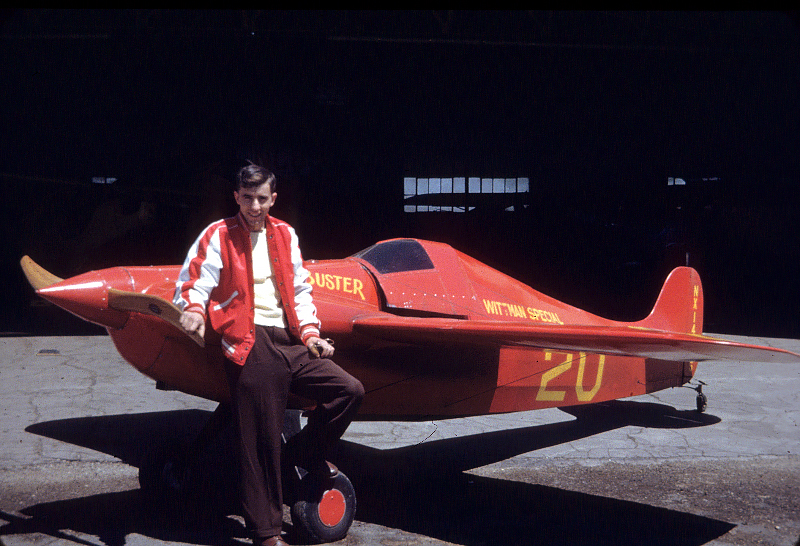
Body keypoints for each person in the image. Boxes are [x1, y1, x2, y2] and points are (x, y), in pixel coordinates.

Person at [174, 163, 364, 546]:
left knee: (350, 390)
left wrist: (312, 336)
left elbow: (300, 289)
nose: (255, 207)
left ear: (273, 198)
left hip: (290, 339)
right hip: (249, 339)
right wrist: (193, 310)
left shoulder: (285, 234)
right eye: (248, 198)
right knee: (261, 437)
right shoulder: (218, 234)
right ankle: (266, 533)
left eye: (262, 199)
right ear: (236, 197)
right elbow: (194, 279)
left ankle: (302, 454)